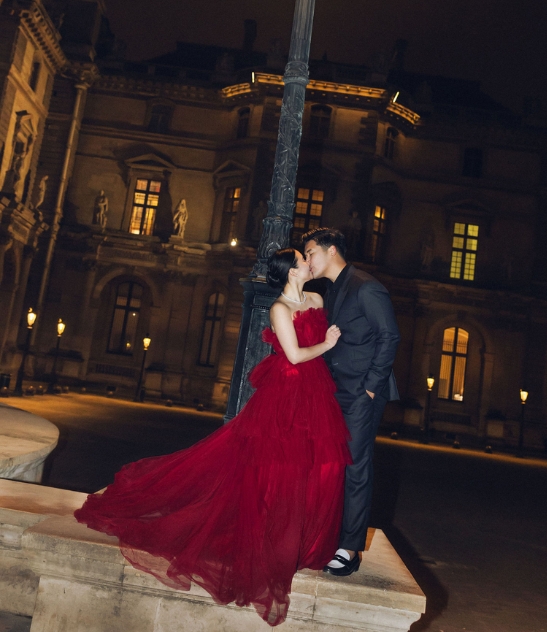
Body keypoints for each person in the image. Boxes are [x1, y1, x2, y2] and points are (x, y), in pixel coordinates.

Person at [74, 248, 349, 626]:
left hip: (315, 393)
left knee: (311, 467)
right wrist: (328, 345)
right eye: (303, 258)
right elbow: (296, 356)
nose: (307, 262)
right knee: (273, 467)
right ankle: (271, 540)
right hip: (287, 393)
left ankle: (297, 542)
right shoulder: (279, 309)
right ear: (290, 271)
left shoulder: (317, 298)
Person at [301, 227, 401, 577]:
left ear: (330, 251)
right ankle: (330, 536)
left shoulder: (365, 286)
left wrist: (372, 387)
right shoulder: (335, 288)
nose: (307, 259)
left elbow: (390, 336)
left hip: (360, 393)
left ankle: (350, 548)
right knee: (333, 464)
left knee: (356, 466)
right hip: (337, 390)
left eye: (310, 251)